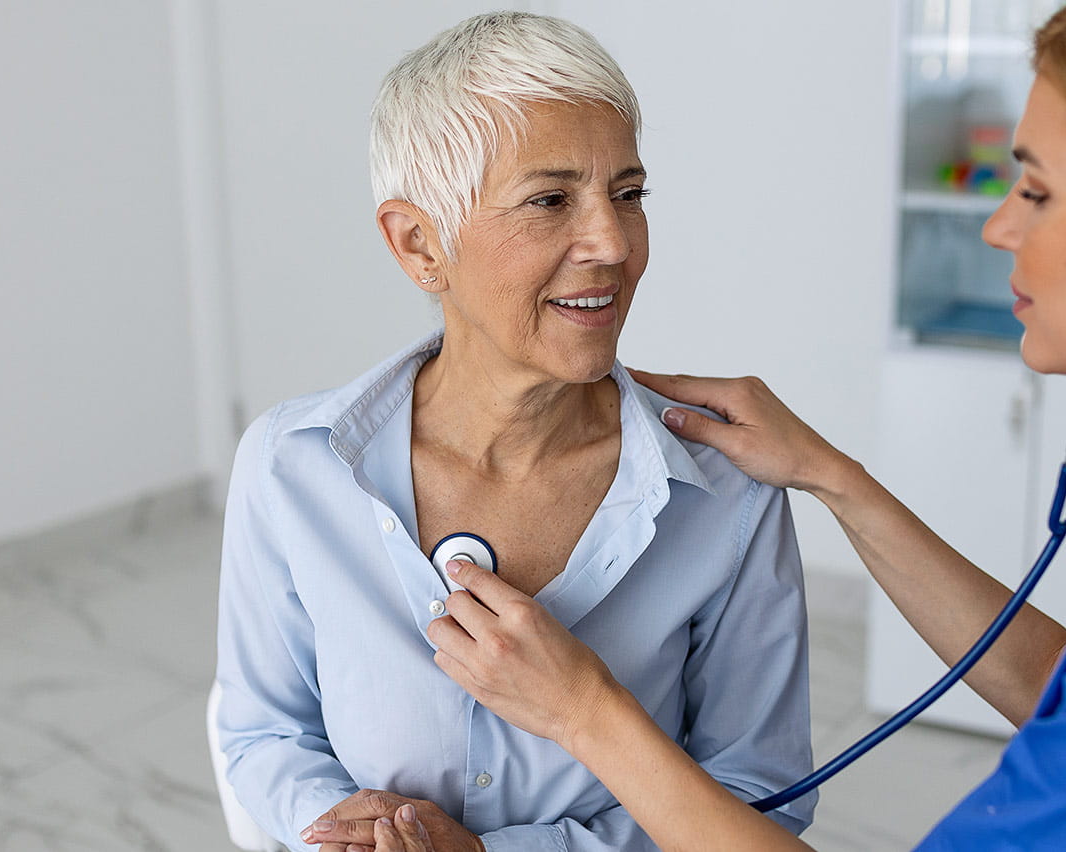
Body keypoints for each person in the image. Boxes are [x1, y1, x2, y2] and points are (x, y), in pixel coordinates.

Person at [377, 0, 1066, 849]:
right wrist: (834, 477)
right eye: (549, 199)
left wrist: (583, 712)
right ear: (416, 246)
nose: (998, 224)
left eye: (1036, 188)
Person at [215, 12, 818, 852]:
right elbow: (262, 731)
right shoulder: (290, 466)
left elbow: (758, 798)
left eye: (629, 194)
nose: (612, 243)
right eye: (549, 200)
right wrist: (341, 831)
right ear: (420, 244)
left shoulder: (727, 490)